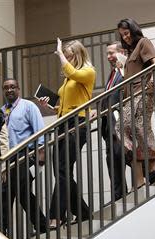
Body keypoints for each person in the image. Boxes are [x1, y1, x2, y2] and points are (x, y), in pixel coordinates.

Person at [39, 38, 96, 228]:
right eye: (66, 56)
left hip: (77, 123)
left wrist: (60, 54)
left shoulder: (88, 72)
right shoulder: (69, 80)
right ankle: (83, 212)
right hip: (63, 122)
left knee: (62, 169)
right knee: (60, 171)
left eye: (70, 56)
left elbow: (71, 72)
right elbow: (68, 103)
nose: (67, 60)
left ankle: (56, 215)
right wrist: (52, 107)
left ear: (78, 55)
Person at [115, 18, 155, 189]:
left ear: (133, 30)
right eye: (122, 35)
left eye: (126, 33)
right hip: (131, 97)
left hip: (143, 93)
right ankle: (148, 171)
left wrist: (152, 82)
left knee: (131, 127)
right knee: (133, 130)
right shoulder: (130, 51)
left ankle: (153, 164)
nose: (125, 37)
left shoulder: (143, 42)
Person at [1, 78, 47, 234]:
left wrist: (40, 156)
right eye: (6, 88)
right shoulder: (2, 111)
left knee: (17, 192)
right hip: (8, 157)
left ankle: (39, 225)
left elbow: (39, 131)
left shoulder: (28, 106)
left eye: (12, 87)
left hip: (25, 155)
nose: (9, 90)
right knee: (14, 194)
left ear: (18, 89)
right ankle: (40, 225)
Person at [99, 41, 128, 200]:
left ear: (122, 52)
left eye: (112, 53)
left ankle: (153, 171)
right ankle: (118, 194)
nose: (109, 57)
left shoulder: (124, 70)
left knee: (126, 155)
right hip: (108, 125)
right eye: (108, 54)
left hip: (120, 122)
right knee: (113, 161)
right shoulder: (112, 74)